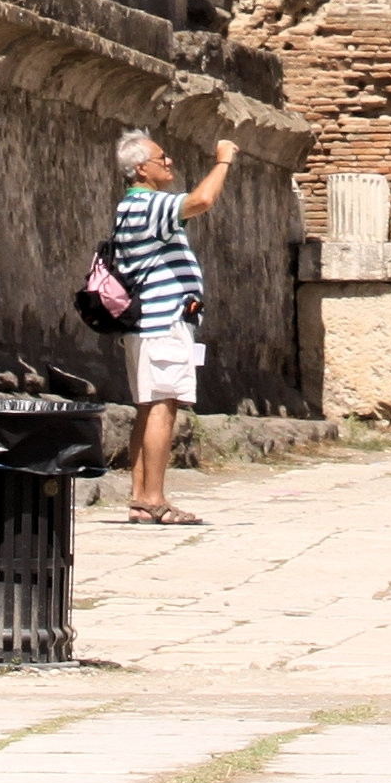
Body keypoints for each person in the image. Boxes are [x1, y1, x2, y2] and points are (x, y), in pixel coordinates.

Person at [106, 125, 238, 526]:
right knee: (163, 407)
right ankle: (154, 499)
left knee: (148, 408)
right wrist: (224, 160)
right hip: (163, 322)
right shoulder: (148, 205)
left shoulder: (129, 207)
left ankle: (140, 498)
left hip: (148, 323)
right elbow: (202, 200)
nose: (169, 162)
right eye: (162, 158)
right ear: (141, 169)